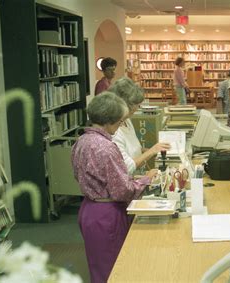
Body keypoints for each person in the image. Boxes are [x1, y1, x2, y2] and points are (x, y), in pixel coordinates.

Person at [72, 92, 158, 283]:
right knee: (114, 270)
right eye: (119, 122)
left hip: (88, 209)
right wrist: (145, 180)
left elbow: (78, 175)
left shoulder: (81, 141)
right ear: (109, 121)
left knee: (98, 266)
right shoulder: (106, 147)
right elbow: (123, 191)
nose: (120, 126)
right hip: (107, 214)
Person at [109, 77, 171, 175]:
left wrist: (154, 151)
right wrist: (152, 150)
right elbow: (127, 168)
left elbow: (134, 150)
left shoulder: (127, 121)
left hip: (138, 177)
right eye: (136, 104)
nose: (138, 107)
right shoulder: (114, 131)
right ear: (124, 104)